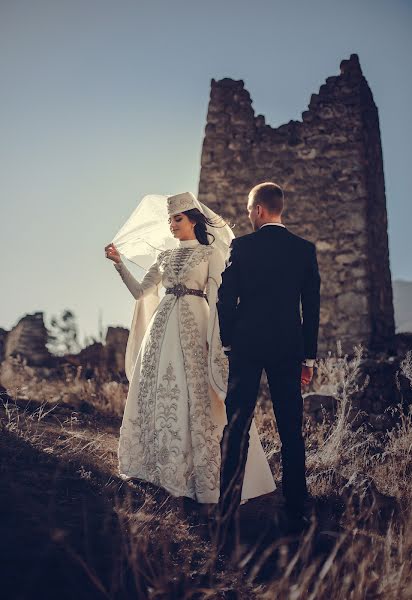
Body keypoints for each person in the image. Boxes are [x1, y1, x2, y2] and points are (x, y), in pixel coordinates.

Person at [105, 192, 275, 504]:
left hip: (196, 328)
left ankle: (199, 476)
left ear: (193, 220)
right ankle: (154, 466)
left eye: (177, 218)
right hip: (160, 329)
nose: (171, 224)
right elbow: (142, 293)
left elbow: (218, 299)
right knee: (157, 390)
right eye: (169, 219)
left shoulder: (211, 254)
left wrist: (223, 338)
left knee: (196, 395)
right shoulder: (165, 256)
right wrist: (119, 265)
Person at [217, 182, 321, 529]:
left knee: (236, 426)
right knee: (291, 430)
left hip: (246, 346)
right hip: (288, 347)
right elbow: (312, 309)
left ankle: (227, 509)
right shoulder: (304, 250)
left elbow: (224, 299)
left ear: (259, 210)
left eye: (249, 209)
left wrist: (229, 342)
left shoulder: (241, 246)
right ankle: (296, 509)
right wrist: (308, 358)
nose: (248, 215)